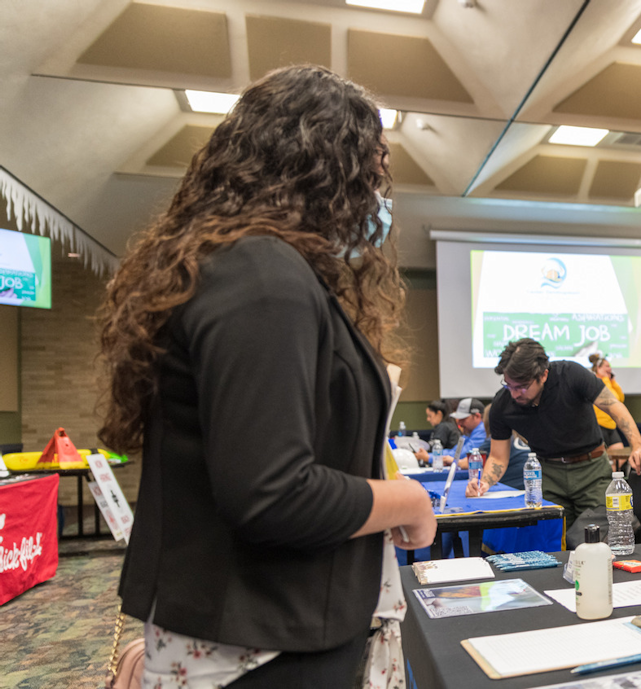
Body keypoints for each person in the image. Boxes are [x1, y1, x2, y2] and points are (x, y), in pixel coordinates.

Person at [96, 66, 436, 687]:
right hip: (262, 639)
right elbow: (273, 492)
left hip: (266, 626)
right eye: (373, 166)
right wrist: (408, 500)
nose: (380, 190)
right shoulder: (261, 275)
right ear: (327, 167)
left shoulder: (254, 268)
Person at [468, 338, 641, 527]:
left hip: (591, 470)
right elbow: (498, 457)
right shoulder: (502, 404)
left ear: (543, 375)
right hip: (548, 475)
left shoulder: (570, 374)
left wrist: (638, 445)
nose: (515, 393)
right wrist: (484, 482)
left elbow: (613, 406)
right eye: (509, 385)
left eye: (522, 386)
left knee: (597, 533)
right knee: (554, 536)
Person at [589, 353, 625, 451]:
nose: (610, 369)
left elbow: (620, 399)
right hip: (599, 425)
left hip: (611, 425)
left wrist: (613, 381)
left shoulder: (609, 382)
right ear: (598, 368)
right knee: (601, 455)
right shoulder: (594, 381)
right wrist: (605, 378)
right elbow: (610, 398)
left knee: (620, 453)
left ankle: (612, 468)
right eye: (607, 366)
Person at [414, 398, 460, 465]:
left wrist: (424, 455)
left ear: (439, 414)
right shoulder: (448, 425)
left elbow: (435, 448)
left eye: (430, 416)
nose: (428, 419)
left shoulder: (443, 427)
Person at [449, 397, 487, 467]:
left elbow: (462, 454)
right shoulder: (469, 432)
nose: (459, 423)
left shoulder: (482, 431)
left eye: (463, 419)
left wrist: (430, 457)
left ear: (477, 416)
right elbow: (455, 451)